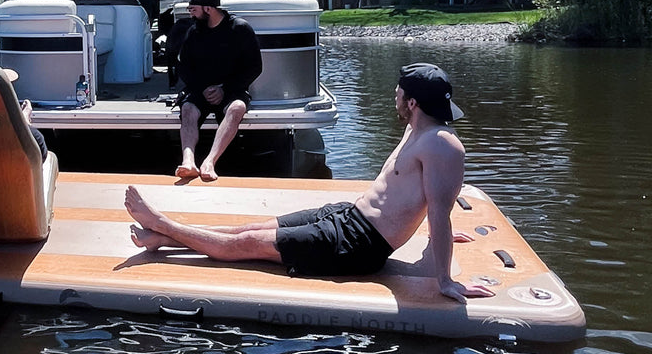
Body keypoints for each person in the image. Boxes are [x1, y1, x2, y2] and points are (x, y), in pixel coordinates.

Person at [126, 62, 497, 302]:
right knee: (250, 228)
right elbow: (427, 200)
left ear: (413, 102)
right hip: (348, 216)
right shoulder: (416, 128)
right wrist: (435, 234)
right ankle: (161, 239)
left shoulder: (443, 145)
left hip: (357, 245)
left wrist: (445, 280)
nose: (394, 97)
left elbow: (440, 208)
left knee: (246, 244)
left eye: (399, 93)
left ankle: (161, 224)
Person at [172, 0, 263, 183]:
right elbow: (184, 67)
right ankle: (188, 161)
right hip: (200, 89)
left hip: (231, 89)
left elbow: (255, 67)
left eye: (193, 9)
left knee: (237, 108)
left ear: (209, 9)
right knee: (188, 108)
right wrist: (202, 88)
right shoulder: (194, 31)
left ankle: (209, 162)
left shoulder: (239, 28)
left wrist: (225, 89)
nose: (191, 14)